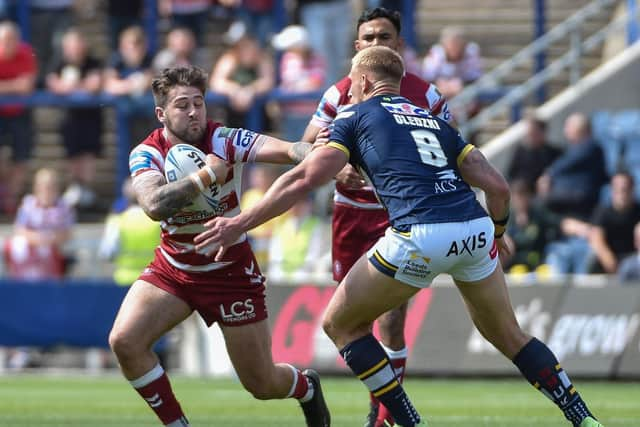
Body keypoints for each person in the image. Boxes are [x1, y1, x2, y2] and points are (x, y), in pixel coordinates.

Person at [195, 46, 605, 427]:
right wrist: (497, 232)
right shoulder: (432, 119)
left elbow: (304, 177)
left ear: (366, 82)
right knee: (509, 335)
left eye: (353, 84)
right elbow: (496, 186)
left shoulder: (353, 117)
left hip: (420, 234)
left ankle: (409, 422)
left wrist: (240, 222)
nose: (350, 91)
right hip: (474, 229)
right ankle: (582, 416)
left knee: (341, 324)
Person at [108, 66, 330, 427]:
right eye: (182, 105)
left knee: (261, 383)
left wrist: (324, 151)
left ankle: (305, 387)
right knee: (125, 341)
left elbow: (291, 150)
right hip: (175, 269)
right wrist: (207, 175)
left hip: (230, 272)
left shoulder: (224, 139)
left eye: (199, 102)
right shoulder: (147, 153)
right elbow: (153, 205)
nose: (194, 111)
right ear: (161, 114)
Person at [300, 8, 451, 426]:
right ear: (356, 46)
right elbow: (307, 144)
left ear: (399, 45)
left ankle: (384, 417)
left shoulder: (427, 96)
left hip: (401, 217)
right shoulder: (338, 94)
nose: (375, 44)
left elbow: (451, 152)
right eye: (368, 37)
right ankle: (381, 401)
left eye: (384, 36)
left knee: (393, 320)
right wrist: (336, 162)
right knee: (352, 322)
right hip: (350, 215)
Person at [45, 27, 103, 211]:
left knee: (88, 156)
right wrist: (79, 86)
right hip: (69, 118)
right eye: (70, 45)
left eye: (77, 44)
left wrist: (72, 86)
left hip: (91, 117)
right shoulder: (58, 61)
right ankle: (75, 189)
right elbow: (54, 85)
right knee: (72, 155)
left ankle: (86, 193)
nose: (74, 49)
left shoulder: (93, 62)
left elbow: (95, 85)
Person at [537, 113, 608, 220]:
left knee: (538, 203)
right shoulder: (573, 148)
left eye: (568, 126)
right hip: (568, 195)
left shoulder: (591, 145)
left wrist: (549, 174)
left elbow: (566, 164)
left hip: (581, 195)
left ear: (580, 128)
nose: (565, 130)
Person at [0, 21, 37, 216]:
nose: (9, 45)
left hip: (20, 113)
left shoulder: (25, 53)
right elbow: (20, 85)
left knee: (21, 159)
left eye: (12, 40)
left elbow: (27, 86)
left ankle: (10, 202)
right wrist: (15, 85)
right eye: (5, 41)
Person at [209, 21, 274, 129]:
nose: (241, 47)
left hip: (259, 116)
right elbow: (216, 81)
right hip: (233, 114)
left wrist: (250, 90)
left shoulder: (262, 58)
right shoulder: (230, 57)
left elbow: (268, 81)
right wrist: (235, 90)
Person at [271, 25, 326, 142]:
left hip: (310, 116)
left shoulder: (316, 59)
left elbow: (316, 83)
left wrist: (294, 88)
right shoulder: (287, 58)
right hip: (289, 114)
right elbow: (286, 83)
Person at [506, 114, 562, 192]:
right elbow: (510, 176)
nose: (529, 136)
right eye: (528, 133)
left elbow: (560, 174)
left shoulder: (554, 152)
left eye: (533, 133)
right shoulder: (520, 151)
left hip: (547, 196)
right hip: (522, 196)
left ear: (543, 133)